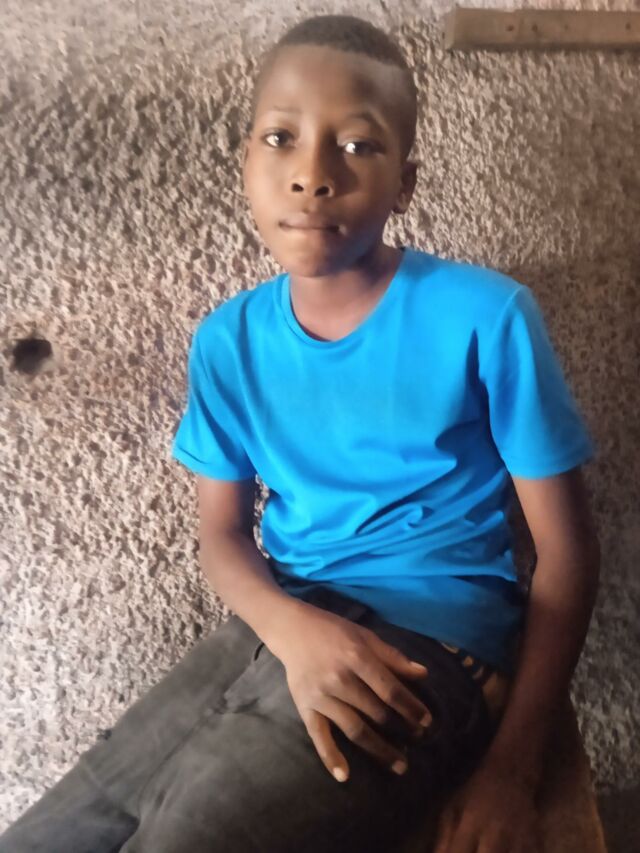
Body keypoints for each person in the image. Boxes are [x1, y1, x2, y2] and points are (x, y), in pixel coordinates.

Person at [0, 13, 601, 853]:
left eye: (357, 145)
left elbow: (568, 555)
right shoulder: (229, 339)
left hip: (428, 649)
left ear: (406, 181)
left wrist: (512, 771)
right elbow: (221, 534)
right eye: (281, 138)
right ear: (246, 160)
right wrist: (289, 629)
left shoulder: (484, 315)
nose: (312, 176)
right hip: (272, 625)